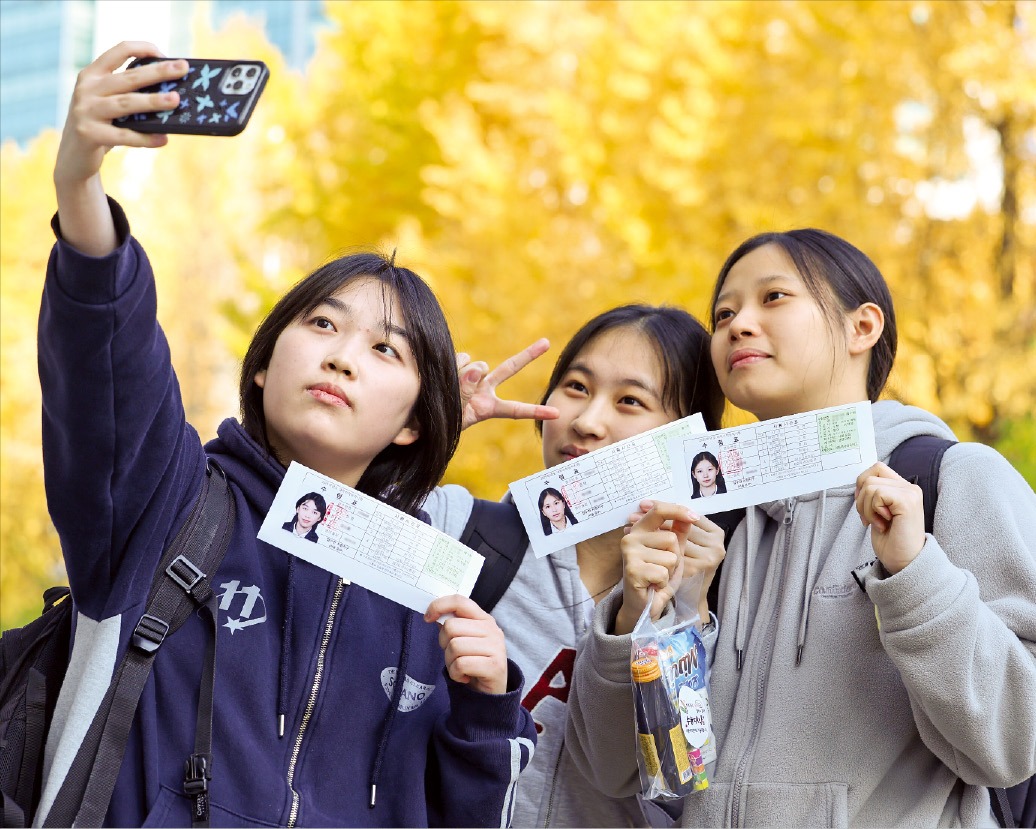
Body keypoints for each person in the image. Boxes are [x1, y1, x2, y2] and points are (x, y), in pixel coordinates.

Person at [34, 42, 535, 828]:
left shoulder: (426, 587)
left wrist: (484, 707)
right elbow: (110, 361)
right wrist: (80, 187)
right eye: (322, 323)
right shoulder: (170, 503)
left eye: (384, 349)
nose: (340, 354)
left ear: (413, 421)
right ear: (264, 365)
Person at [565, 229, 1036, 826]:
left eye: (775, 297)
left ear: (862, 327)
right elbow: (623, 771)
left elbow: (1015, 743)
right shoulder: (709, 519)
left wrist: (916, 573)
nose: (738, 324)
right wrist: (647, 616)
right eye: (725, 313)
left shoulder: (952, 478)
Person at [424, 304, 727, 826]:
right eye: (576, 388)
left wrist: (682, 611)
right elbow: (311, 515)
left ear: (689, 439)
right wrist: (422, 431)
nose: (587, 422)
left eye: (630, 401)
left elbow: (678, 786)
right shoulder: (463, 531)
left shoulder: (714, 592)